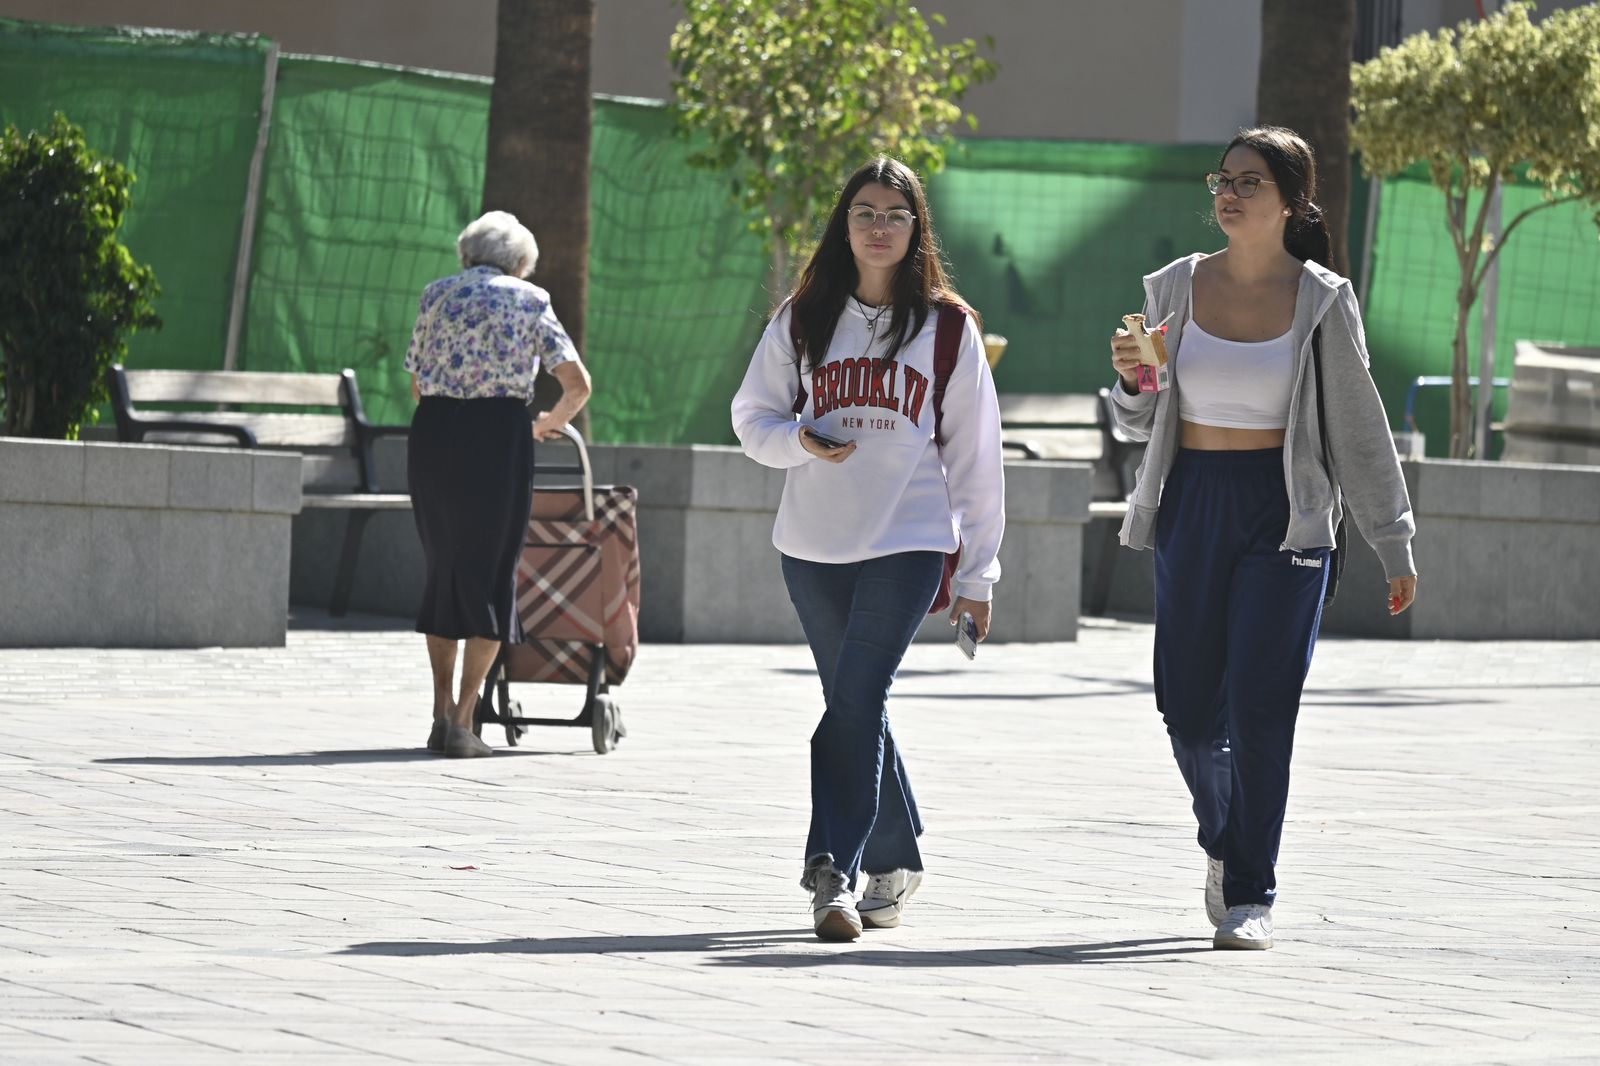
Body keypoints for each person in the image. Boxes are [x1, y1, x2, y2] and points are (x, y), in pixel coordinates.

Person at [1108, 126, 1418, 950]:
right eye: (1225, 179)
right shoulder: (1174, 288)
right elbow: (1139, 418)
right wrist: (1133, 379)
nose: (1231, 193)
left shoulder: (1322, 299)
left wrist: (1392, 540)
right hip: (1192, 502)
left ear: (1292, 203)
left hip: (1287, 514)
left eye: (1251, 182)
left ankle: (1251, 890)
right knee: (1186, 711)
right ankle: (1224, 837)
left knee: (1261, 711)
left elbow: (1359, 428)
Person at [731, 157, 1005, 941]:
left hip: (909, 540)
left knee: (856, 700)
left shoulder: (948, 327)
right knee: (855, 705)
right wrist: (799, 443)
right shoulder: (803, 316)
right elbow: (752, 418)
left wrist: (979, 572)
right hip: (811, 546)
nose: (879, 227)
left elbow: (976, 458)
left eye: (895, 214)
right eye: (865, 213)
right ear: (844, 225)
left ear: (917, 228)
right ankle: (897, 857)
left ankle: (833, 874)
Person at [405, 210, 592, 758]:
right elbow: (578, 384)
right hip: (498, 436)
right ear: (520, 262)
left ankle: (440, 714)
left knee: (444, 569)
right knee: (490, 575)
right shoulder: (530, 299)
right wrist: (548, 424)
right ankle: (465, 720)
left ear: (467, 254)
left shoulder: (436, 294)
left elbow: (417, 381)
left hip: (434, 433)